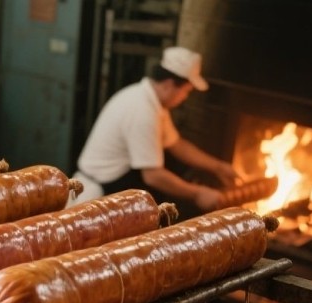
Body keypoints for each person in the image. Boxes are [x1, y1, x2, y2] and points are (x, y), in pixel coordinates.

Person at [72, 45, 239, 209]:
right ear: (168, 85)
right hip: (94, 199)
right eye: (186, 91)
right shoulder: (142, 110)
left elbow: (177, 145)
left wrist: (218, 167)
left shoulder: (153, 103)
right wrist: (198, 194)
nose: (185, 97)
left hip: (109, 191)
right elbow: (153, 176)